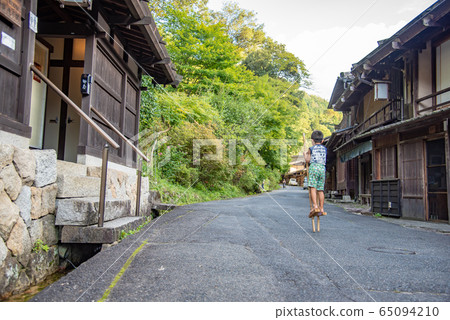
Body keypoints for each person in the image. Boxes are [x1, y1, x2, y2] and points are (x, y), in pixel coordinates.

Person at [304, 130, 327, 217]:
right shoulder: (325, 149)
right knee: (320, 189)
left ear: (312, 140)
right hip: (322, 168)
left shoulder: (311, 148)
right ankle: (321, 208)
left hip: (314, 167)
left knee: (313, 188)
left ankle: (315, 206)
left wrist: (304, 154)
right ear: (322, 140)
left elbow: (307, 160)